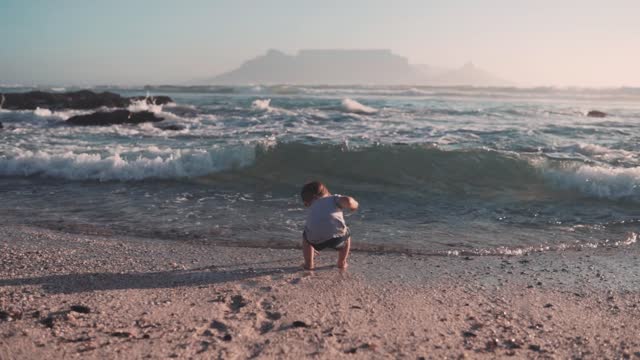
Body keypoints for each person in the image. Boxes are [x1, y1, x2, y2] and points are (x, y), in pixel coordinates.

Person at [300, 181, 359, 270]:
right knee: (347, 233)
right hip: (337, 239)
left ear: (307, 203)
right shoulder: (333, 199)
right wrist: (354, 206)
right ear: (326, 192)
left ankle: (309, 263)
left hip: (315, 241)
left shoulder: (312, 205)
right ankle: (341, 262)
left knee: (306, 236)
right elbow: (349, 201)